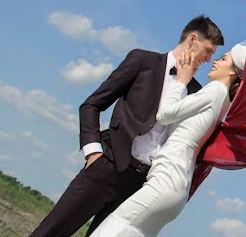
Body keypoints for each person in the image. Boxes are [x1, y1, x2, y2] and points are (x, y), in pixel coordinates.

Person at [31, 16, 224, 237]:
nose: (209, 59)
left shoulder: (197, 92)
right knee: (50, 233)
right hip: (106, 166)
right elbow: (92, 104)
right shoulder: (143, 61)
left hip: (139, 187)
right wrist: (93, 154)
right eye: (208, 50)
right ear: (192, 40)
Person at [91, 41, 246, 236]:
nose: (215, 61)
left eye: (223, 59)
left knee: (111, 228)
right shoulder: (224, 101)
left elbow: (164, 115)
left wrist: (181, 81)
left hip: (167, 181)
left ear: (233, 72)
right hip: (175, 185)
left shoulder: (215, 90)